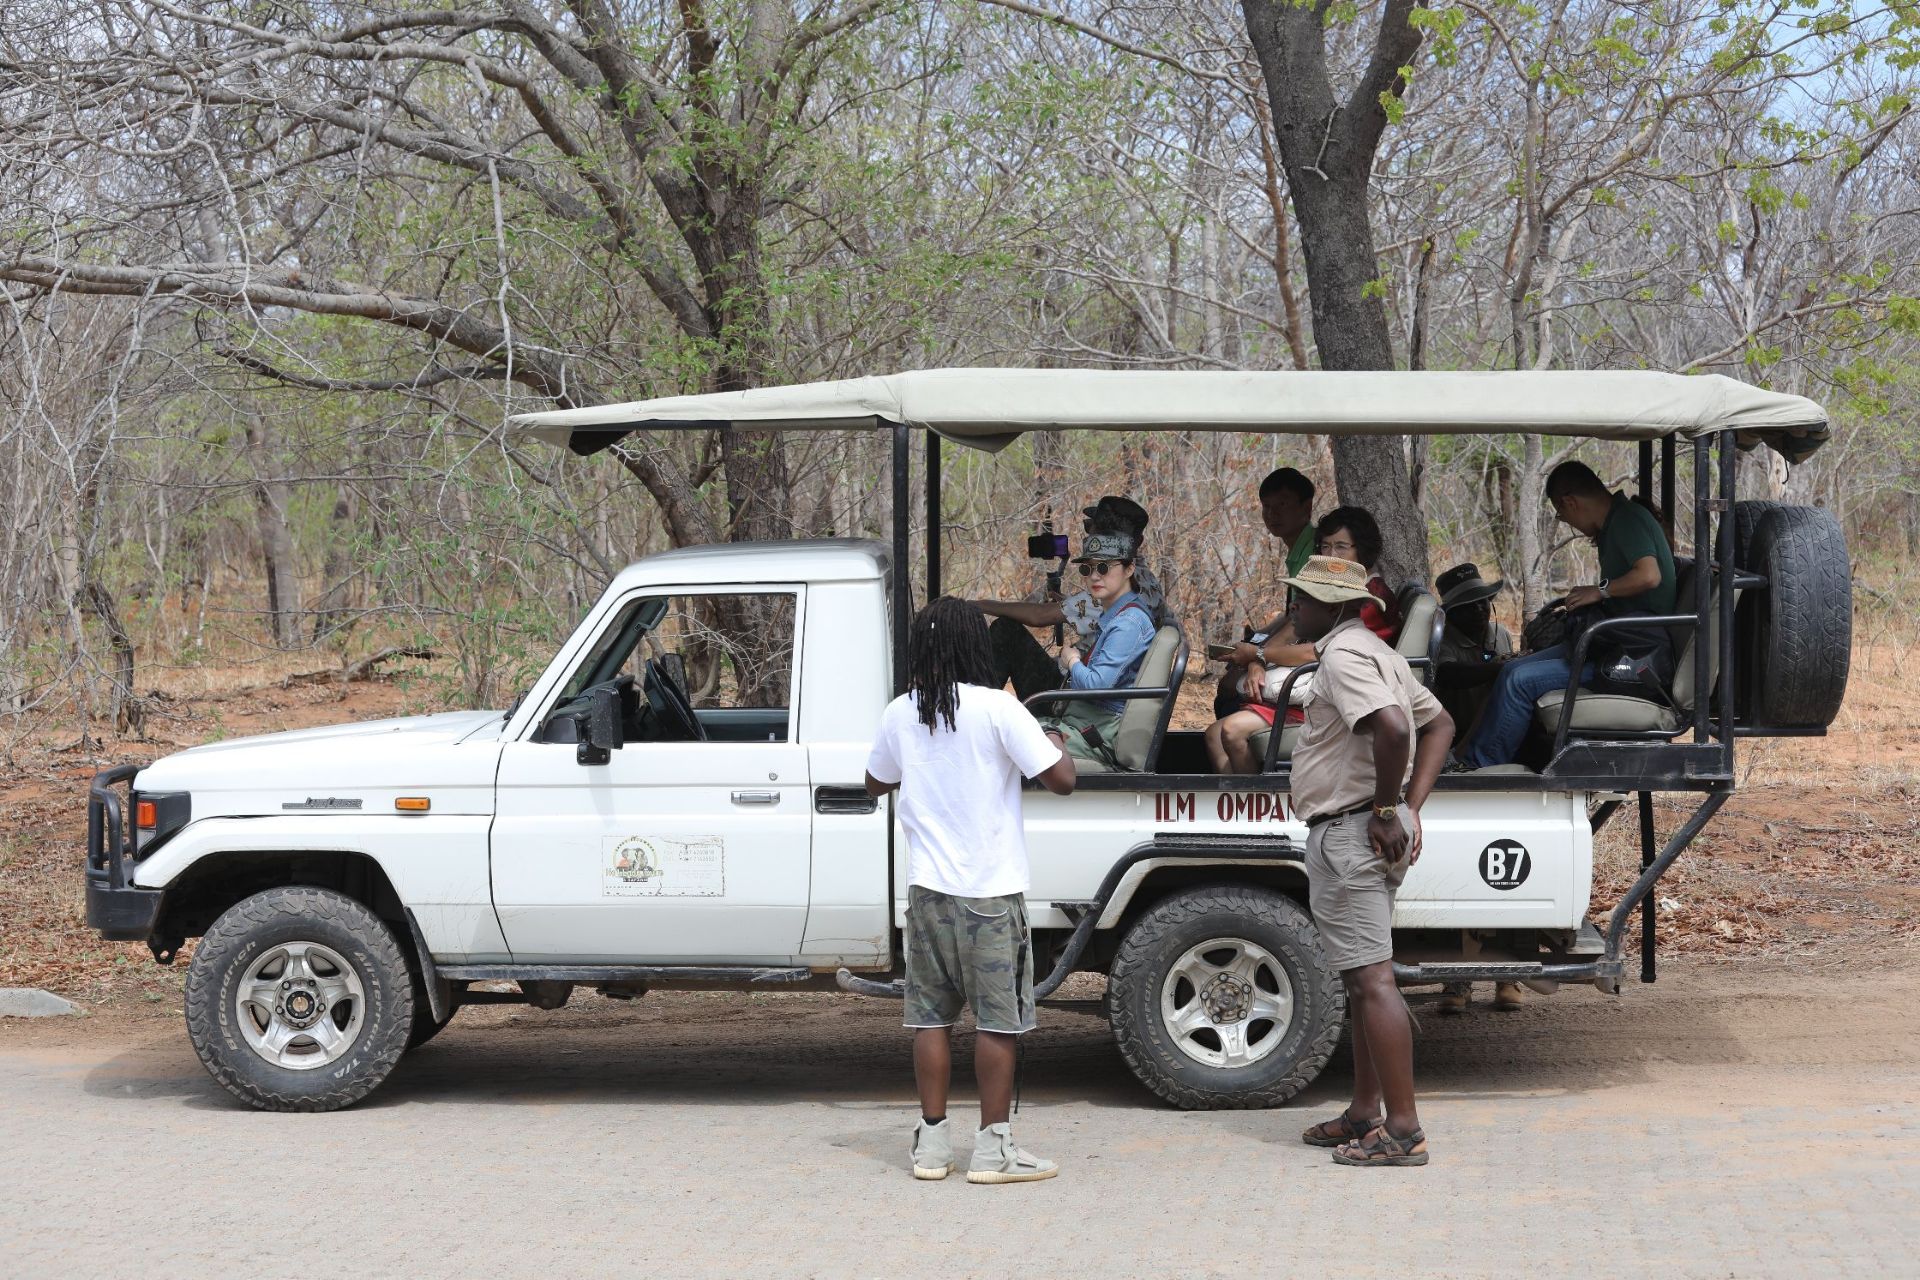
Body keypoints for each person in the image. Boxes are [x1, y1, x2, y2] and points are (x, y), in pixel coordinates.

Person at [865, 597, 1077, 1184]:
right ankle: (993, 1150)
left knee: (930, 1019)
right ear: (975, 647)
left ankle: (932, 1147)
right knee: (996, 1022)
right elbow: (1061, 780)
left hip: (929, 892)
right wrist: (1053, 739)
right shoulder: (998, 709)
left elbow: (874, 780)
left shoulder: (900, 713)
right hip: (990, 892)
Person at [1283, 555, 1454, 1168]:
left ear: (1330, 606)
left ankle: (1403, 1131)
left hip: (1353, 830)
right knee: (1361, 979)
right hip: (1363, 825)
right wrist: (1408, 808)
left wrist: (1387, 809)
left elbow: (1392, 728)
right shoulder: (1380, 655)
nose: (1293, 609)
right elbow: (1440, 724)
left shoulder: (1343, 658)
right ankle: (1364, 1112)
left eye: (1301, 600)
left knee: (1373, 980)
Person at [1454, 461, 1676, 769]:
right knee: (1511, 670)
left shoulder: (1626, 520)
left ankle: (1482, 767)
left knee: (1519, 680)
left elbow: (1649, 576)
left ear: (1569, 503)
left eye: (1562, 515)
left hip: (1633, 656)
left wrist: (1600, 591)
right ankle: (1473, 757)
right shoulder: (1615, 523)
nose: (1568, 522)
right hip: (1608, 642)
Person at [1204, 507, 1402, 774]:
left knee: (1229, 729)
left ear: (1362, 549)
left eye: (1341, 547)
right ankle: (1243, 809)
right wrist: (1257, 659)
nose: (1332, 557)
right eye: (1325, 546)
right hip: (1309, 680)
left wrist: (1259, 656)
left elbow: (1318, 652)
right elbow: (1290, 630)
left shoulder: (1365, 597)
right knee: (1216, 726)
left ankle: (1260, 804)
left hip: (1332, 693)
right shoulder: (1330, 588)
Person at [974, 528, 1157, 765]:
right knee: (1000, 728)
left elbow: (1096, 686)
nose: (1094, 576)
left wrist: (1071, 660)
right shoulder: (1116, 613)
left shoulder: (1128, 623)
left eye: (1104, 567)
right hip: (1081, 713)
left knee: (1000, 733)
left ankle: (971, 717)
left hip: (1093, 729)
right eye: (1086, 568)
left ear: (1129, 569)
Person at [1428, 565, 1524, 1013]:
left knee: (1508, 874)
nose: (1480, 613)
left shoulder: (1500, 636)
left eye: (1484, 603)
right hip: (1452, 760)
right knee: (1460, 878)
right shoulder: (1442, 643)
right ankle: (1457, 981)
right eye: (1468, 607)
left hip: (1498, 757)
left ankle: (1509, 976)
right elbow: (1450, 677)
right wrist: (1499, 670)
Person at [1215, 468, 1317, 718]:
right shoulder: (1298, 550)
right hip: (1298, 647)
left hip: (1310, 655)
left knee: (1228, 689)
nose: (1272, 514)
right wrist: (1260, 635)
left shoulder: (1314, 552)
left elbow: (1299, 621)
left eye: (1282, 504)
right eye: (1267, 506)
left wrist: (1258, 656)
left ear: (1306, 507)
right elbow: (1292, 612)